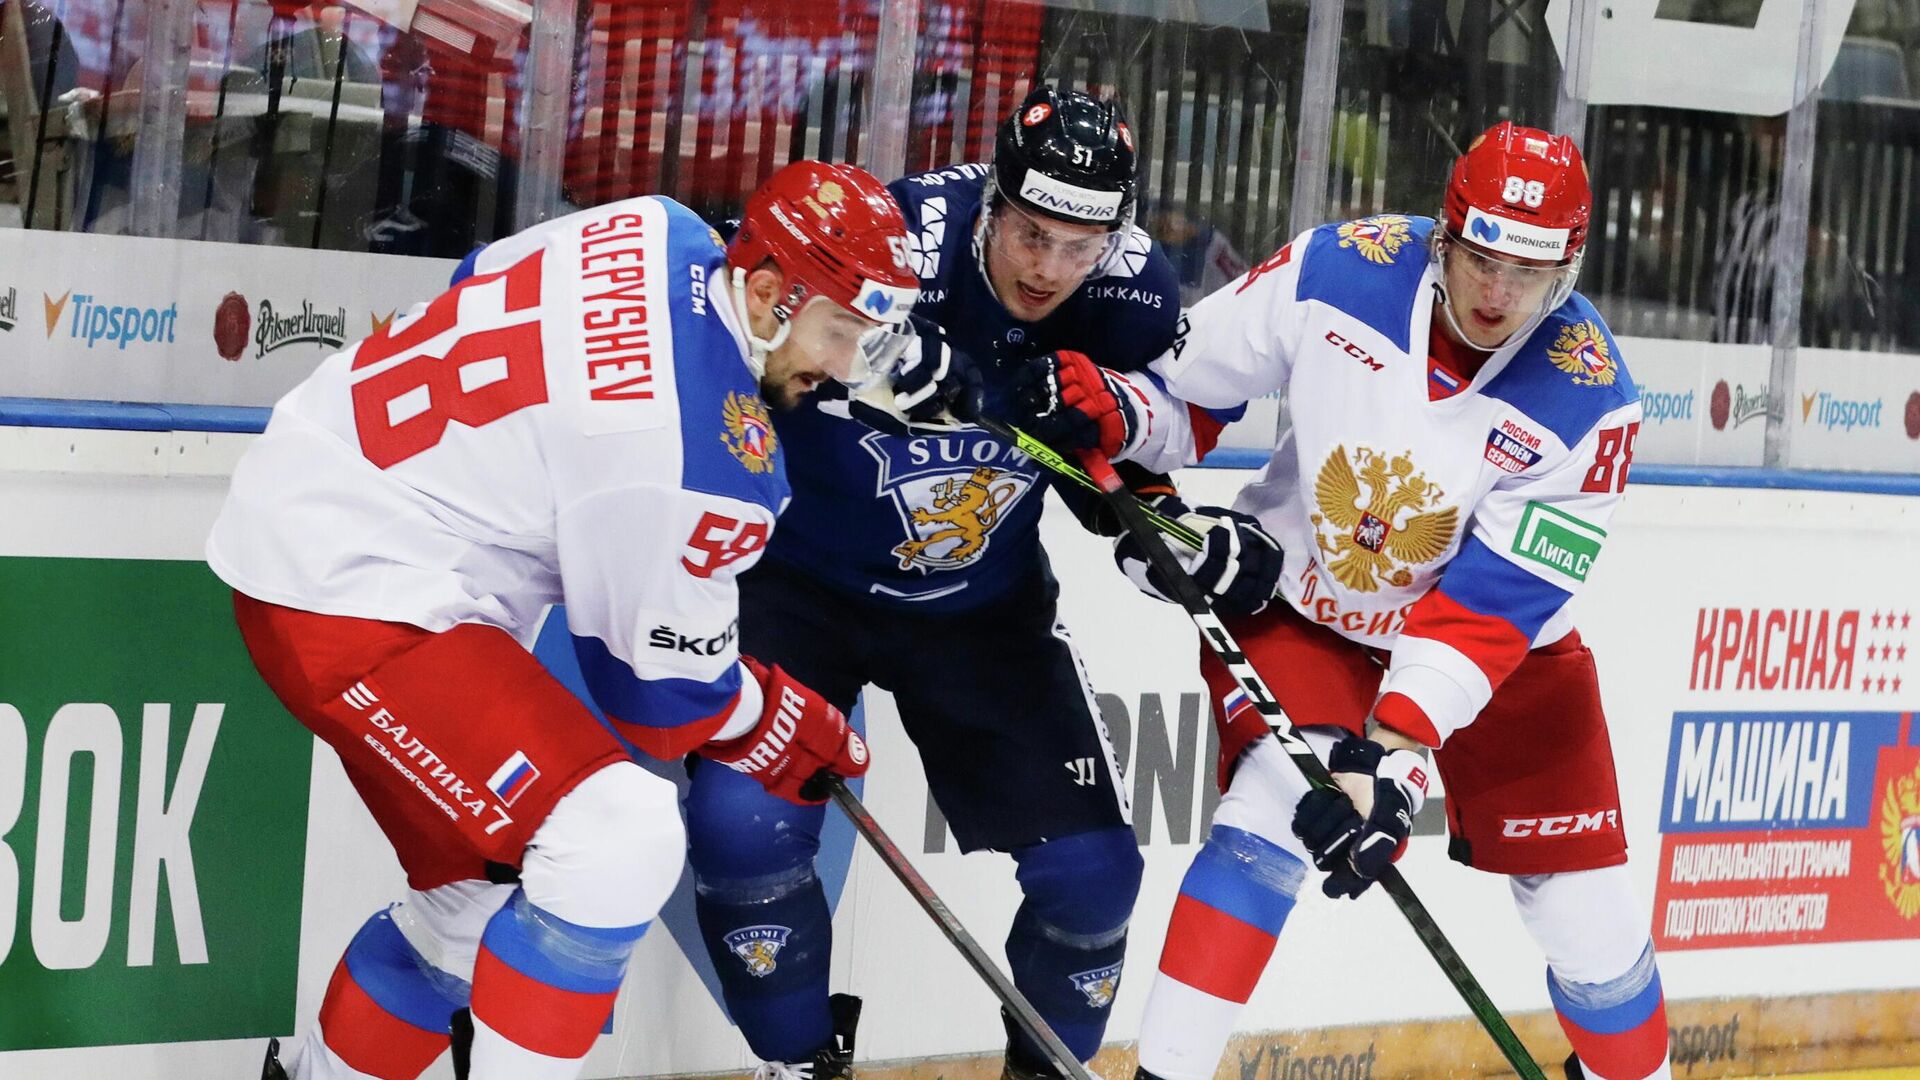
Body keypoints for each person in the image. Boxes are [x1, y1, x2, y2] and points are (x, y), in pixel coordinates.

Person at [210, 159, 914, 1080]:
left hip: (325, 498)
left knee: (468, 916)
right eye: (838, 331)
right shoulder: (697, 450)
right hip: (354, 585)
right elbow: (656, 700)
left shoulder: (655, 228)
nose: (843, 368)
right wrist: (778, 722)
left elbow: (474, 279)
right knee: (614, 832)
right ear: (773, 291)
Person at [1010, 121, 1673, 1080]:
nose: (1497, 295)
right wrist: (1120, 410)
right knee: (1269, 818)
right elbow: (1189, 397)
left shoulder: (1590, 399)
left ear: (1568, 271)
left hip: (1506, 661)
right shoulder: (1341, 269)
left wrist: (1396, 759)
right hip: (1309, 612)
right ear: (1444, 235)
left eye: (1527, 275)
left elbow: (1490, 608)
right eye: (1482, 259)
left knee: (1589, 924)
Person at [681, 86, 1210, 1080]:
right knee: (742, 825)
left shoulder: (1135, 298)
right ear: (993, 200)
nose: (1048, 270)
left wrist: (1159, 530)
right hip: (801, 584)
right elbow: (741, 317)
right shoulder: (900, 235)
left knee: (1094, 882)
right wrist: (875, 352)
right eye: (1030, 234)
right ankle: (797, 1064)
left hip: (981, 611)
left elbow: (1124, 464)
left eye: (1078, 247)